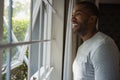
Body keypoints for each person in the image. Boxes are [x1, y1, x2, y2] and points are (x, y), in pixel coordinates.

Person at [72, 1, 120, 80]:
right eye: (72, 15)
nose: (72, 19)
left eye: (78, 14)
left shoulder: (103, 45)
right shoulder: (82, 46)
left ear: (92, 19)